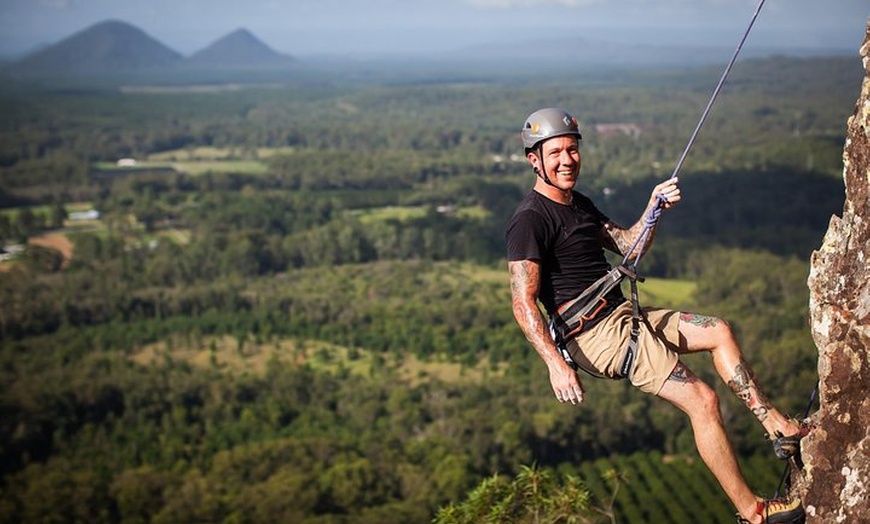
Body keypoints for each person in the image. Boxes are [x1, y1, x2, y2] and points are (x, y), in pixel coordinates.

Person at [505, 107, 809, 524]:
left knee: (719, 331)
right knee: (702, 401)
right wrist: (555, 365)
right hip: (595, 335)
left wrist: (654, 208)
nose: (567, 160)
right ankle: (754, 513)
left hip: (621, 316)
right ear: (534, 160)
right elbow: (523, 302)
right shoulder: (530, 220)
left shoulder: (580, 205)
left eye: (572, 150)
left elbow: (629, 246)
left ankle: (779, 427)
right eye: (555, 152)